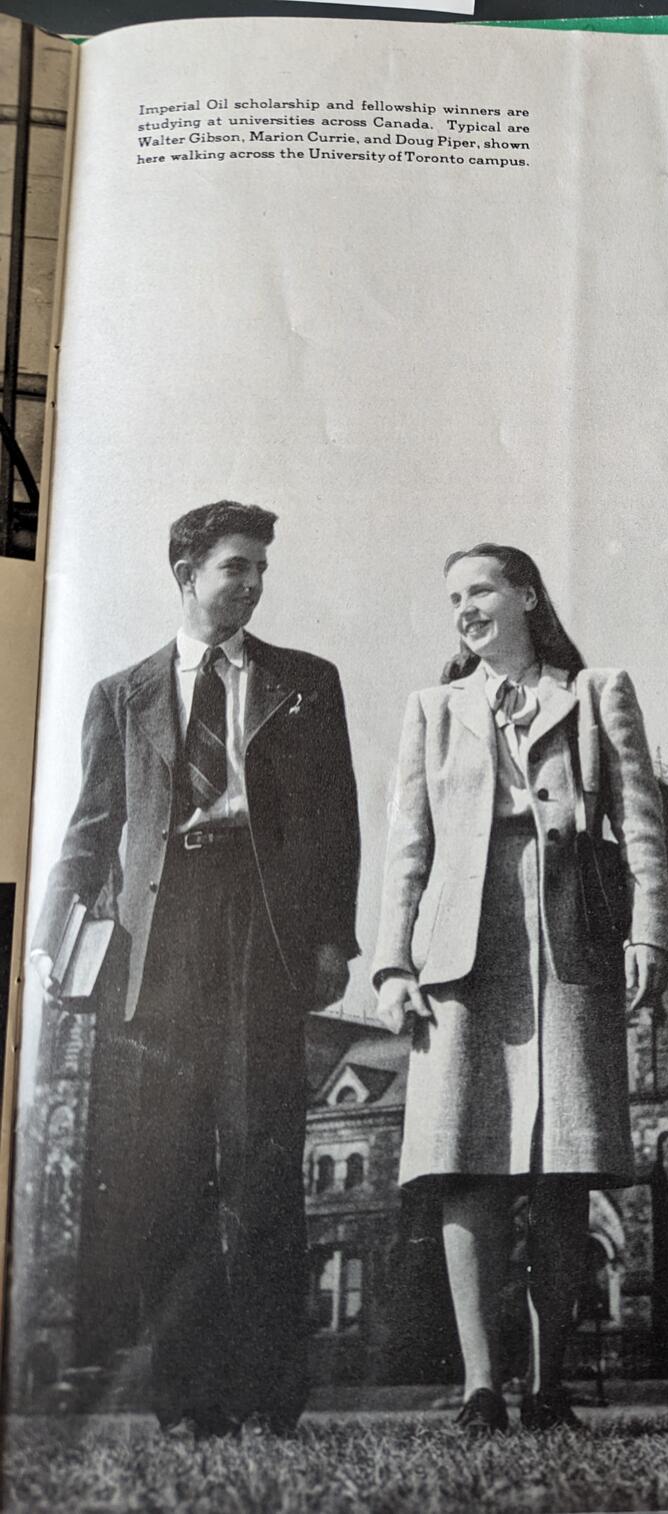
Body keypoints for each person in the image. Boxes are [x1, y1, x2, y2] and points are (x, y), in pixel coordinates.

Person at [31, 501, 361, 1437]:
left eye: (260, 568)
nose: (253, 583)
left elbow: (335, 824)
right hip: (156, 950)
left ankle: (270, 1397)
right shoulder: (121, 694)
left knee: (263, 1162)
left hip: (260, 934)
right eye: (234, 567)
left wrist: (332, 940)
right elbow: (90, 832)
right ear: (186, 574)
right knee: (166, 1172)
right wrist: (55, 937)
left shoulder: (307, 683)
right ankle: (188, 1402)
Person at [372, 543, 668, 1433]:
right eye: (453, 596)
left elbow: (644, 828)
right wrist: (392, 965)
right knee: (464, 1163)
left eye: (481, 590)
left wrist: (651, 929)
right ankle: (479, 1387)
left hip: (570, 939)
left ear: (527, 596)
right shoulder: (432, 711)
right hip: (463, 953)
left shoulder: (595, 691)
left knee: (562, 1168)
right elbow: (408, 847)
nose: (464, 608)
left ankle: (547, 1387)